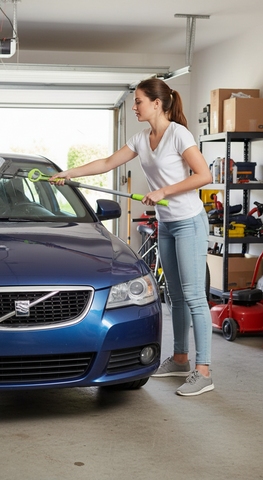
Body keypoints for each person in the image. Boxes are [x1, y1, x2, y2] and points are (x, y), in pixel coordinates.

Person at [50, 78, 214, 396]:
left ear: (156, 103)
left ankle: (204, 370)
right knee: (175, 296)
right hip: (166, 224)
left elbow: (203, 175)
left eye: (138, 101)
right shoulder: (142, 138)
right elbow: (109, 162)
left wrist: (163, 190)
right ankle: (180, 359)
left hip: (189, 223)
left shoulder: (179, 134)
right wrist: (69, 173)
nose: (135, 106)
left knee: (194, 296)